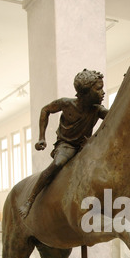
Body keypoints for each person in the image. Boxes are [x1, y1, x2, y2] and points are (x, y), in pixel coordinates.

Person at [19, 69, 108, 218]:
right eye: (99, 89)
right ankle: (30, 200)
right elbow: (45, 110)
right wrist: (42, 137)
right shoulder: (66, 104)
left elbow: (113, 115)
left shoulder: (97, 110)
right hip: (67, 145)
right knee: (57, 165)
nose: (103, 93)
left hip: (85, 146)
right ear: (85, 92)